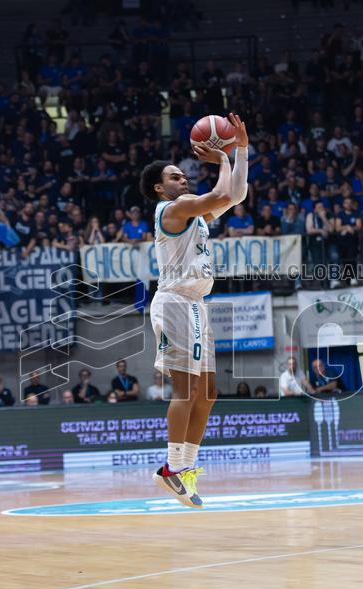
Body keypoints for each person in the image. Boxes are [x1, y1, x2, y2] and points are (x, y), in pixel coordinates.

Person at [141, 112, 248, 508]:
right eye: (174, 176)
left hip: (196, 305)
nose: (183, 179)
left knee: (208, 393)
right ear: (159, 187)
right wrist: (222, 158)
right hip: (174, 301)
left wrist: (242, 151)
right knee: (186, 389)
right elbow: (221, 196)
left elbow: (234, 196)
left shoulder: (193, 214)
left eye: (183, 176)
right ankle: (169, 468)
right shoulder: (172, 209)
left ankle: (185, 468)